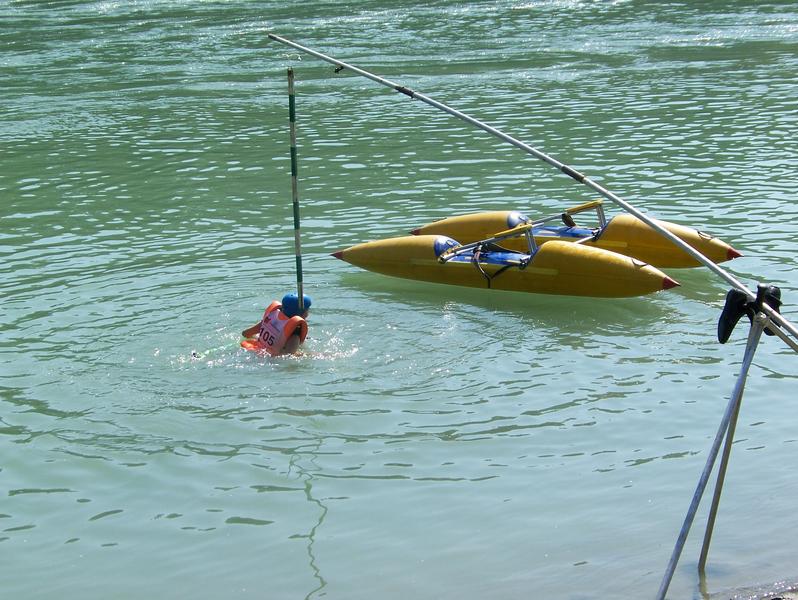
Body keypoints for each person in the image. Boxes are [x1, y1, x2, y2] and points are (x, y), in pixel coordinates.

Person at [241, 292, 312, 356]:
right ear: (304, 313)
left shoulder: (272, 317)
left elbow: (245, 333)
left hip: (254, 348)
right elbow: (288, 355)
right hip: (267, 358)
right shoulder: (295, 333)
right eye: (308, 310)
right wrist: (308, 355)